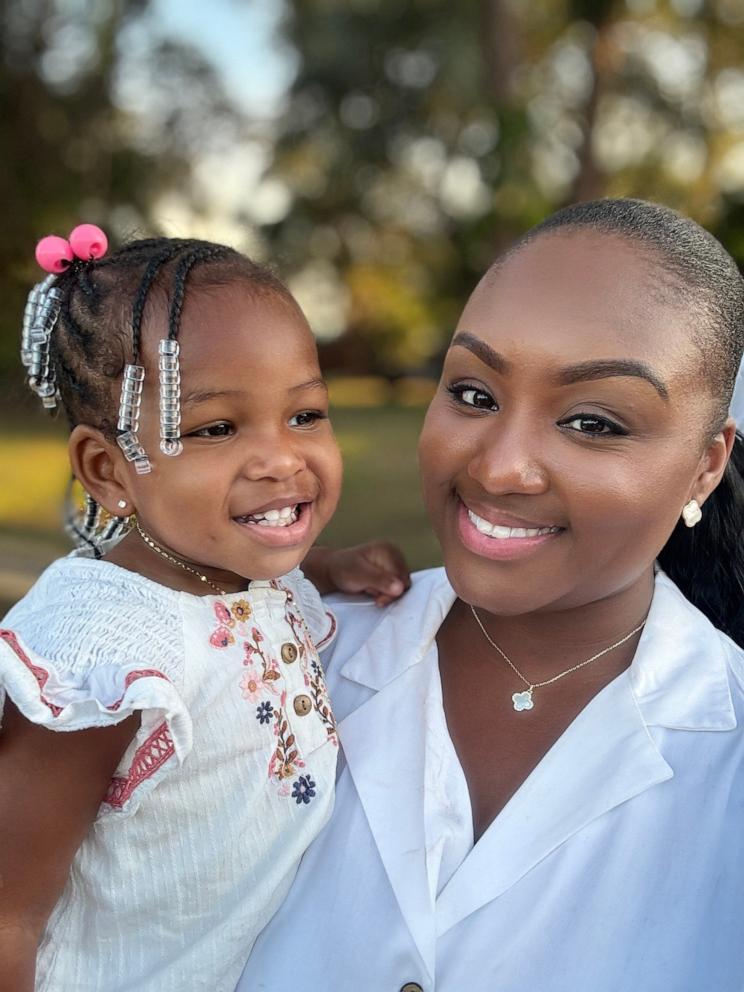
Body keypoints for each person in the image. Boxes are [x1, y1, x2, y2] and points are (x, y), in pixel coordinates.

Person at [239, 198, 744, 992]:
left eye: (593, 422)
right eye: (474, 394)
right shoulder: (275, 660)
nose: (502, 467)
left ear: (706, 465)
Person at [0, 227, 409, 992]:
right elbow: (7, 909)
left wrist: (327, 565)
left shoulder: (240, 574)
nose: (281, 458)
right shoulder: (107, 652)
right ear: (108, 470)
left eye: (306, 415)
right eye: (216, 428)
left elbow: (241, 591)